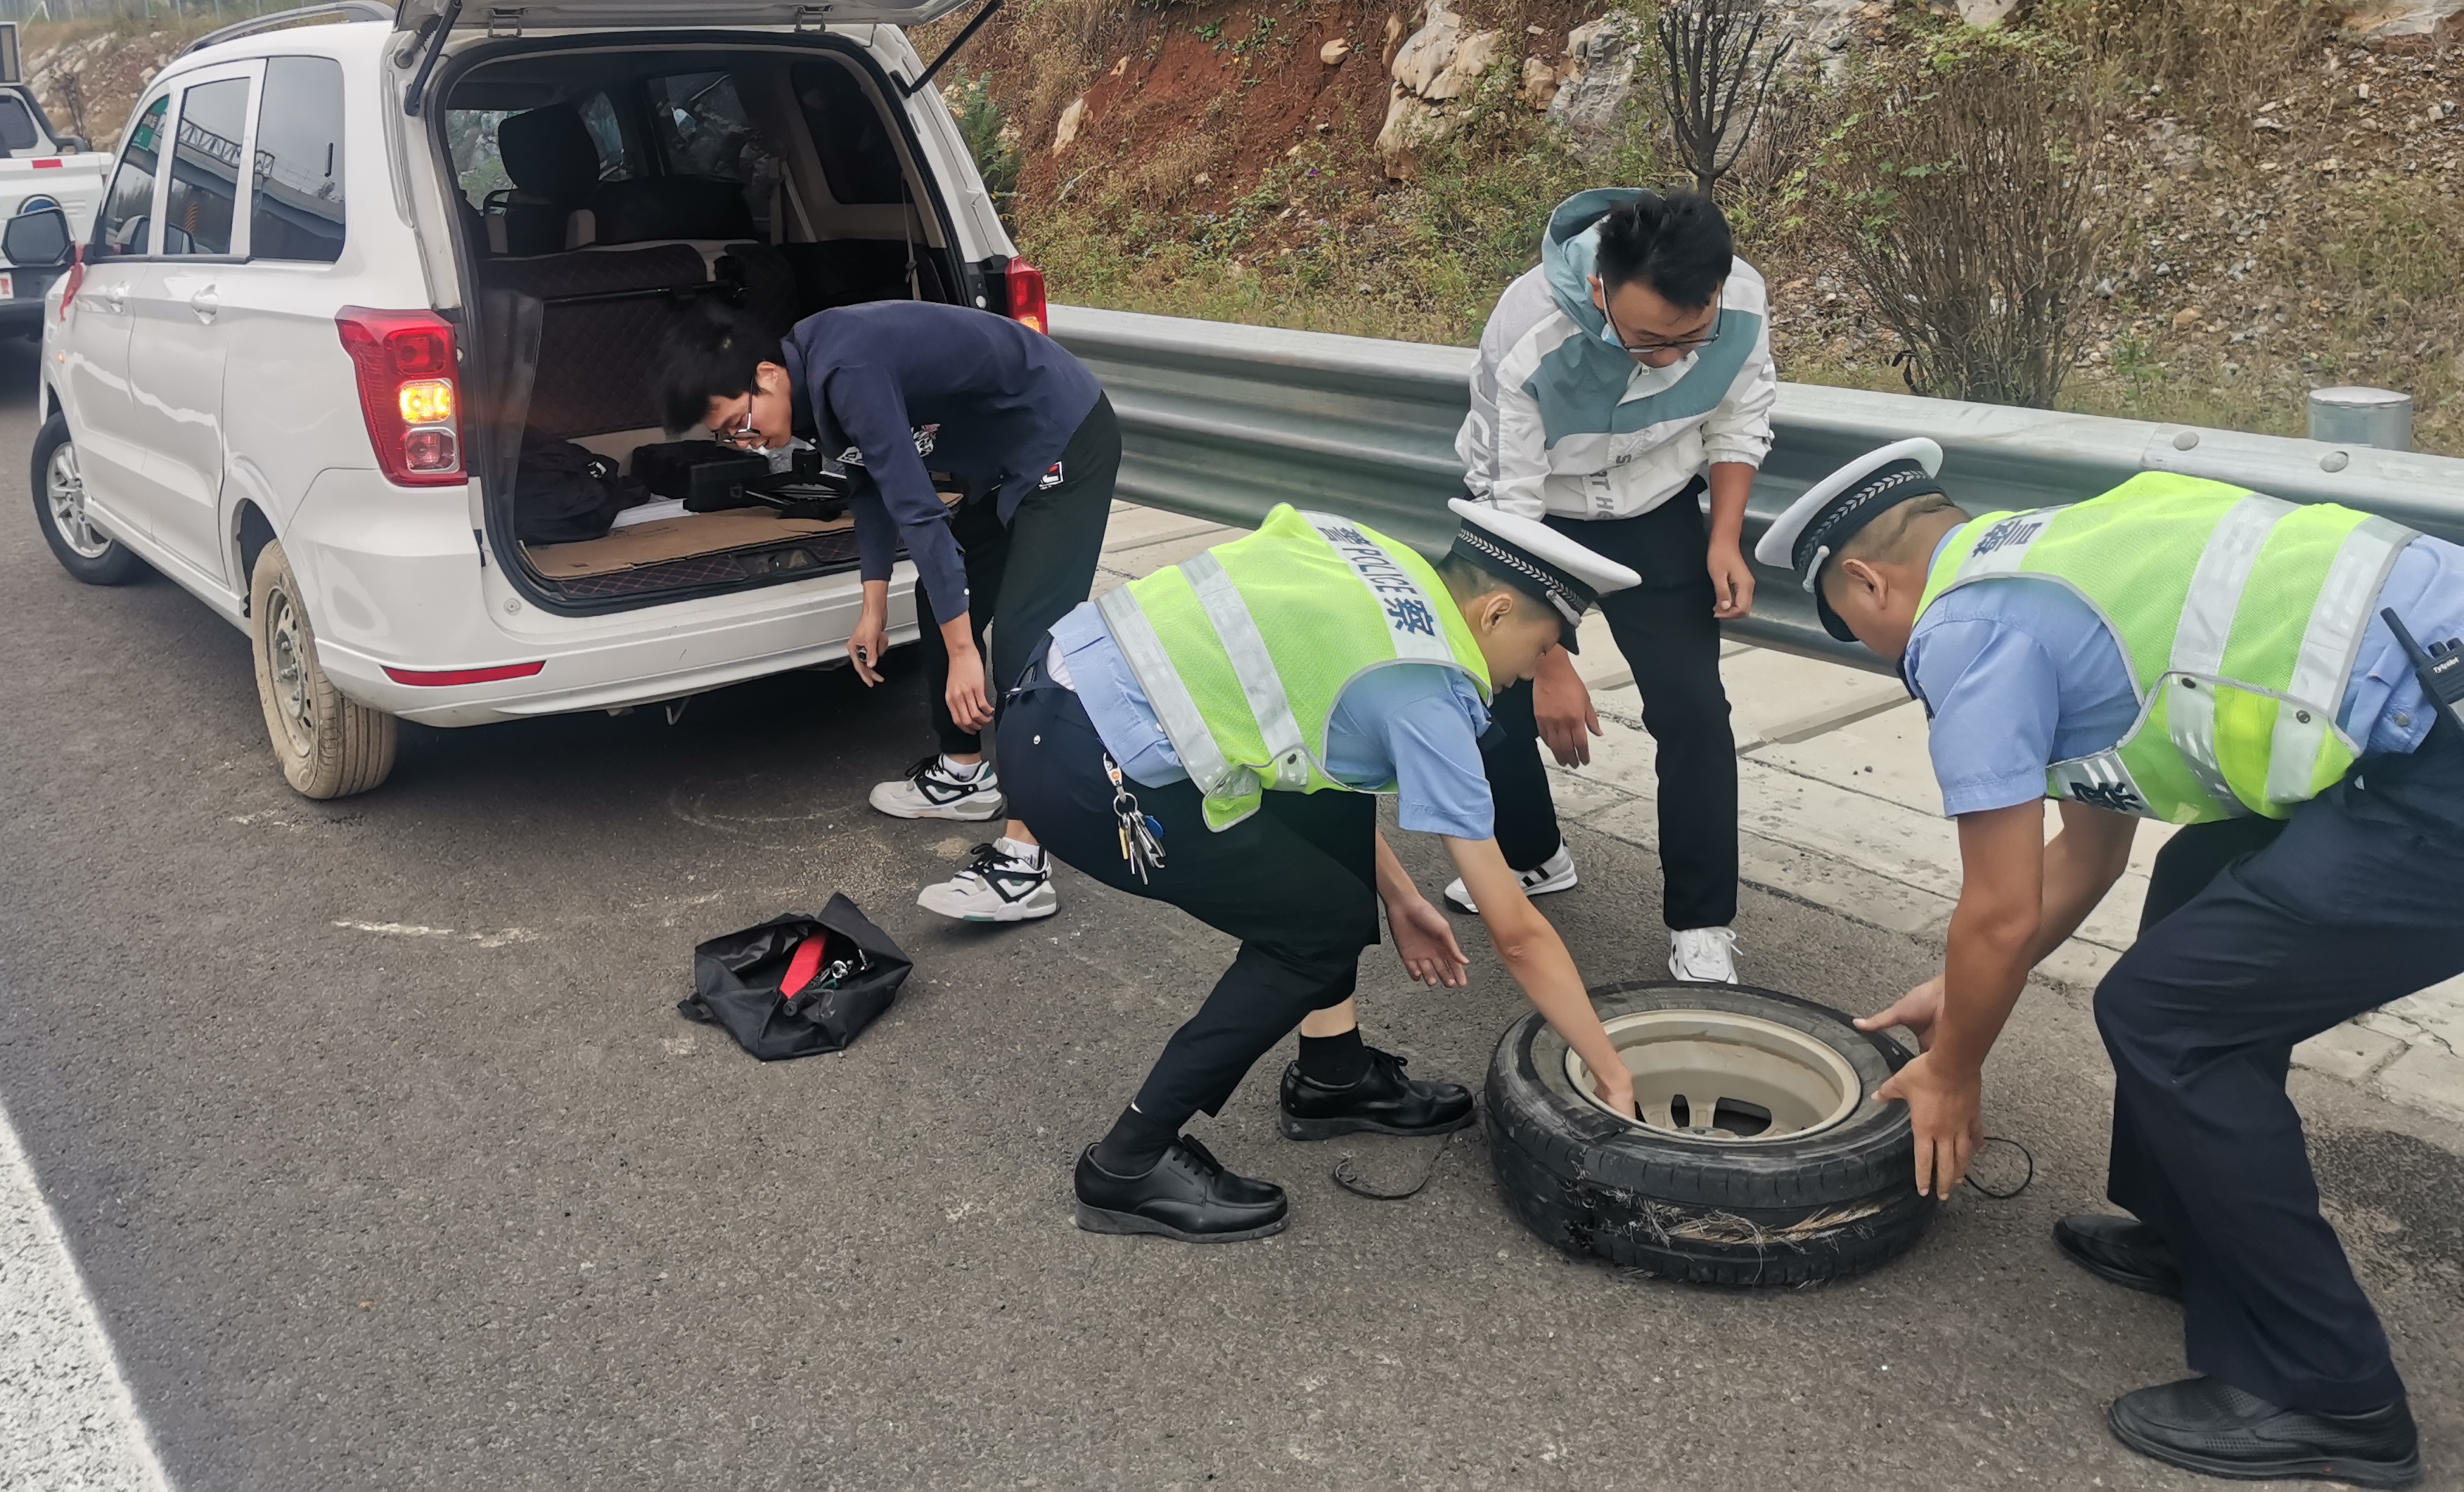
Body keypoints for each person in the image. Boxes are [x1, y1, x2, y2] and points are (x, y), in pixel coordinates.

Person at [1762, 439, 2464, 1488]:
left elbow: (1997, 912)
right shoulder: (2059, 560)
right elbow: (2089, 851)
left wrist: (1954, 1067)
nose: (1872, 651)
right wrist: (1960, 997)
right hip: (2424, 722)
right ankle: (2197, 1230)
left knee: (2170, 1017)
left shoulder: (1967, 633)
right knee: (2198, 884)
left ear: (1870, 579)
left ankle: (2331, 1394)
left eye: (1854, 624)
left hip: (2439, 761)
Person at [995, 497, 1644, 1242]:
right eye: (1541, 649)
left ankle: (1332, 1079)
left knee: (1335, 829)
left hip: (1050, 697)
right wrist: (1608, 1069)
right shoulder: (1425, 693)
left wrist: (1398, 896)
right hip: (1091, 777)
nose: (1531, 673)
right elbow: (1518, 930)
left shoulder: (1379, 562)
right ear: (1495, 612)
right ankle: (1126, 1165)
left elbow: (1305, 753)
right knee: (1317, 927)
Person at [656, 299, 1119, 925]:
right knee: (939, 595)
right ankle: (964, 774)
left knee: (1021, 644)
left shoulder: (845, 368)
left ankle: (1026, 860)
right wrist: (871, 606)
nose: (743, 442)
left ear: (765, 376)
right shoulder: (810, 381)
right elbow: (870, 484)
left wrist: (965, 655)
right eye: (724, 436)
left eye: (739, 422)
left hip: (1062, 435)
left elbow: (920, 511)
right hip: (1008, 460)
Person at [1451, 186, 1775, 984]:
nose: (1668, 357)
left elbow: (1739, 416)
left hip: (1656, 503)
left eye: (1688, 337)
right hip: (1535, 512)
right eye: (1643, 340)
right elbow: (1508, 500)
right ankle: (1531, 857)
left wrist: (1724, 537)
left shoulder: (1740, 299)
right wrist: (1551, 657)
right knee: (1491, 693)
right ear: (1600, 289)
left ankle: (1702, 921)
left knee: (1694, 711)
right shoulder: (1528, 330)